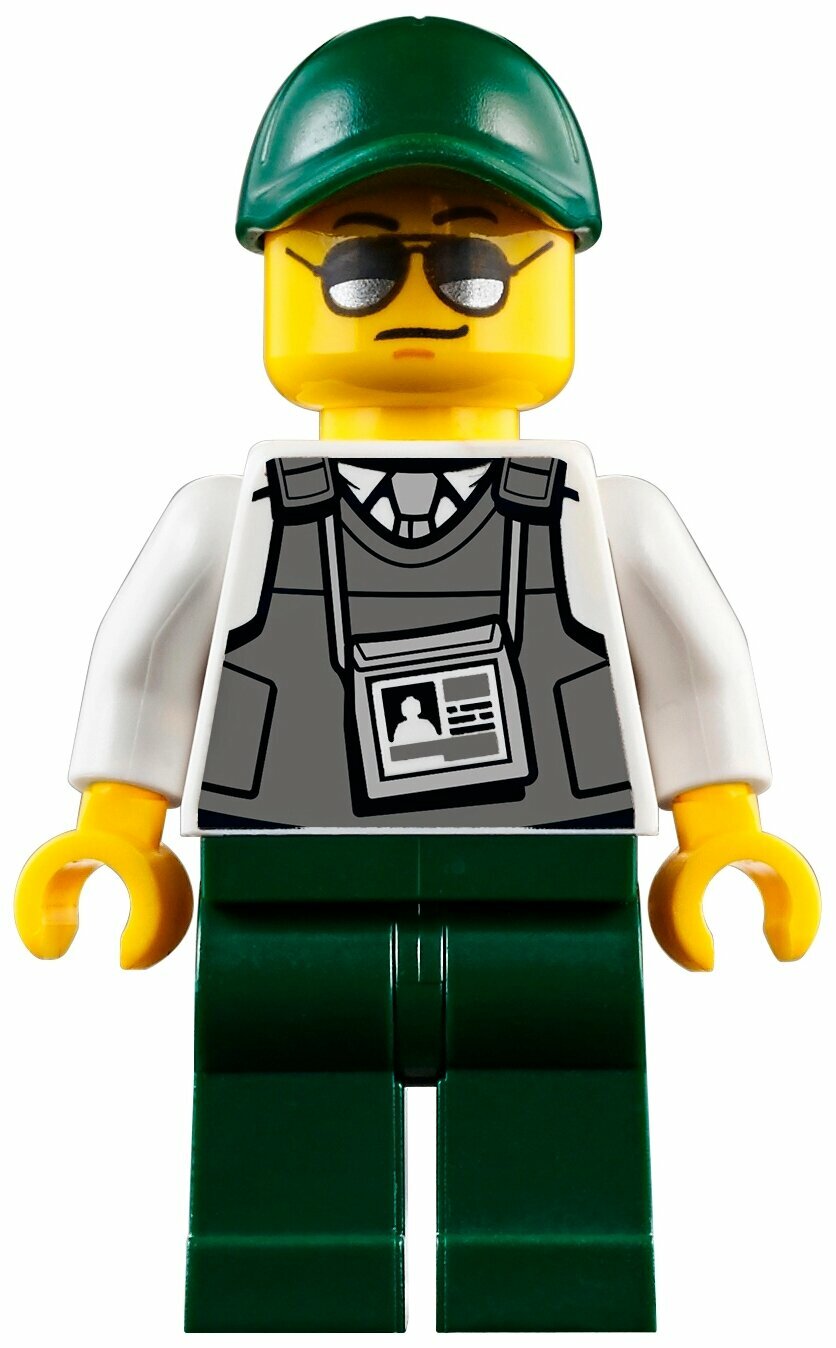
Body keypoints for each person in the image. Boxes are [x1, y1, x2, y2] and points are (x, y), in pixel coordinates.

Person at [14, 16, 820, 1334]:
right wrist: (117, 827)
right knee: (281, 1103)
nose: (419, 301)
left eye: (473, 263)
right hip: (289, 882)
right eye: (355, 266)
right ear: (280, 278)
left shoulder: (607, 516)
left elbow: (693, 667)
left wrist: (721, 827)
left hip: (548, 881)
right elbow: (145, 669)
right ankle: (290, 1282)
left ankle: (550, 1285)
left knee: (559, 1101)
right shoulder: (230, 515)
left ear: (558, 276)